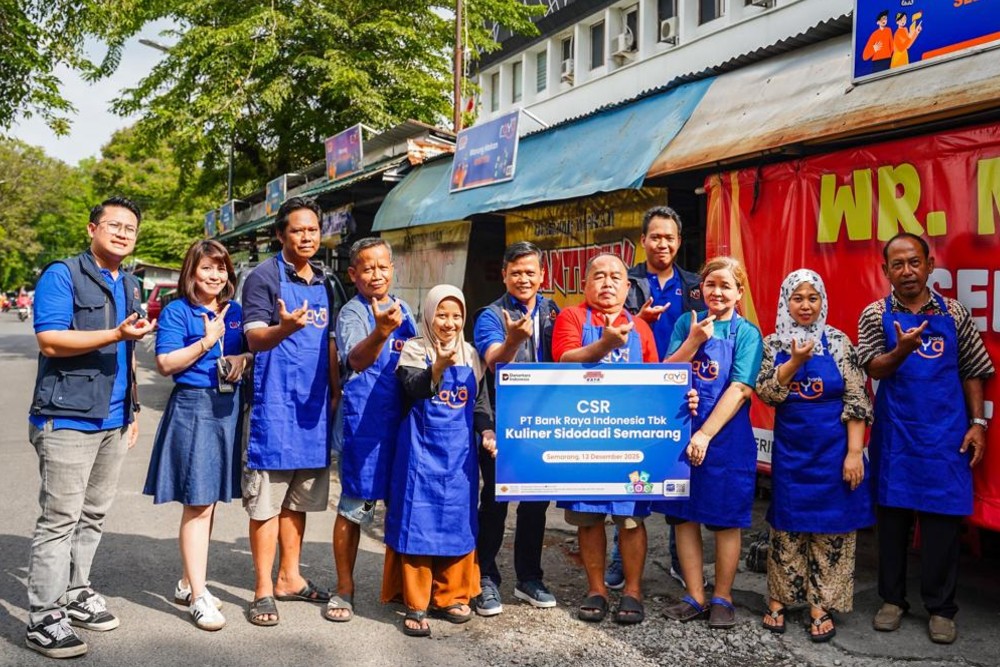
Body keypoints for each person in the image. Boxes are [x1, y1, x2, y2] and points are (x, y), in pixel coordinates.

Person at [25, 196, 154, 658]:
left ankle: (76, 592)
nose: (122, 233)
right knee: (59, 520)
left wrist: (133, 409)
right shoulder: (63, 274)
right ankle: (43, 617)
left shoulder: (132, 284)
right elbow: (50, 340)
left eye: (130, 228)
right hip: (67, 416)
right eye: (114, 225)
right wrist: (116, 333)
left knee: (94, 514)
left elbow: (129, 352)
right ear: (91, 229)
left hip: (113, 418)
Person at [857, 233, 993, 644]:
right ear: (886, 271)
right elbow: (873, 368)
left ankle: (941, 608)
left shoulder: (954, 312)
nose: (907, 271)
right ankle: (892, 600)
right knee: (892, 522)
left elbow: (972, 368)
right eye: (897, 264)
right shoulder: (873, 314)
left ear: (929, 265)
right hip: (896, 435)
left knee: (941, 524)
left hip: (945, 436)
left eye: (914, 262)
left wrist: (978, 423)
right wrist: (901, 349)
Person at [755, 269, 874, 642]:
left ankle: (821, 606)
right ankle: (779, 599)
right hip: (792, 455)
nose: (805, 306)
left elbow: (857, 399)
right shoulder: (773, 343)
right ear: (785, 303)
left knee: (832, 529)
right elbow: (766, 393)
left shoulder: (838, 342)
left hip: (834, 453)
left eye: (813, 298)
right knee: (786, 528)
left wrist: (854, 453)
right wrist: (793, 362)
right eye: (798, 298)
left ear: (822, 301)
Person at [240, 196, 340, 626]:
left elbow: (331, 342)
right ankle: (263, 589)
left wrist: (335, 391)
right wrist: (285, 328)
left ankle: (290, 577)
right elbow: (254, 339)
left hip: (313, 407)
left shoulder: (327, 280)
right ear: (281, 234)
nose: (306, 237)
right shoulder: (262, 277)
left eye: (313, 229)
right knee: (266, 503)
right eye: (297, 230)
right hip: (275, 405)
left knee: (297, 501)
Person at [142, 240, 251, 631]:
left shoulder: (235, 312)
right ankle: (198, 596)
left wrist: (241, 359)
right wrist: (206, 341)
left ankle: (189, 581)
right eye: (207, 268)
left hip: (228, 408)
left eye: (221, 269)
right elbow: (165, 362)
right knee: (198, 502)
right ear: (191, 271)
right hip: (194, 407)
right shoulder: (177, 310)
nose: (215, 275)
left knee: (211, 500)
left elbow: (250, 352)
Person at [551, 253, 659, 625]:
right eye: (599, 276)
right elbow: (565, 359)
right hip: (584, 439)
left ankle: (633, 591)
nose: (607, 283)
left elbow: (656, 382)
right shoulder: (571, 317)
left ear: (627, 287)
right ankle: (596, 589)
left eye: (616, 277)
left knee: (630, 519)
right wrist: (605, 345)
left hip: (630, 440)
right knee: (588, 517)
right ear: (585, 284)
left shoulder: (640, 328)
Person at [381, 285, 495, 637]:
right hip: (419, 452)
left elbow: (479, 404)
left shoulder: (471, 353)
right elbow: (413, 388)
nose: (449, 323)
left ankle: (451, 596)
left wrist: (487, 431)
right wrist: (438, 367)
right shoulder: (414, 349)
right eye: (442, 315)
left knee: (458, 522)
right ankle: (416, 602)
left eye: (456, 316)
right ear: (429, 316)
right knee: (419, 521)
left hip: (459, 457)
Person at [658, 256, 763, 630]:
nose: (717, 291)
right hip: (681, 432)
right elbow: (667, 372)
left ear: (739, 292)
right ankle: (695, 595)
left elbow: (740, 388)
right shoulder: (686, 323)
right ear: (700, 287)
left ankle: (722, 597)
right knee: (683, 517)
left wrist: (705, 434)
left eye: (725, 285)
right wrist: (694, 341)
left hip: (726, 439)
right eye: (710, 284)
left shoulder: (747, 334)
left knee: (725, 520)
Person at [607, 206, 705, 591]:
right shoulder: (624, 281)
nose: (662, 243)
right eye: (655, 237)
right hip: (634, 392)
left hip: (681, 393)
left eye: (669, 237)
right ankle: (621, 559)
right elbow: (606, 325)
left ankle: (681, 559)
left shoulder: (695, 286)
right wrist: (638, 322)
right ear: (643, 240)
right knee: (629, 476)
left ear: (679, 242)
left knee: (679, 475)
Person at [328, 238, 417, 622]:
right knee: (355, 509)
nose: (376, 274)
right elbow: (356, 360)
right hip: (365, 426)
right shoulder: (352, 313)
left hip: (402, 423)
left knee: (402, 507)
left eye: (383, 266)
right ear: (353, 274)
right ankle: (344, 589)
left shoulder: (405, 309)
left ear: (393, 269)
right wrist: (381, 332)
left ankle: (400, 587)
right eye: (368, 268)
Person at [471, 241, 560, 616]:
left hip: (542, 422)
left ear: (542, 276)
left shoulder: (553, 312)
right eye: (516, 272)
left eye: (530, 272)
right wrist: (514, 340)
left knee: (536, 502)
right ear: (504, 275)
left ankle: (529, 578)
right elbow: (494, 362)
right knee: (495, 500)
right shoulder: (490, 316)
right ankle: (484, 578)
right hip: (499, 423)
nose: (524, 278)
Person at [862, 10, 894, 74]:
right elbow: (865, 56)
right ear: (878, 22)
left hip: (887, 60)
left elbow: (892, 46)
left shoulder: (888, 30)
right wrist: (874, 49)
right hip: (877, 62)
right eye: (882, 19)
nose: (884, 20)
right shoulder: (874, 34)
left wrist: (888, 54)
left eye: (885, 18)